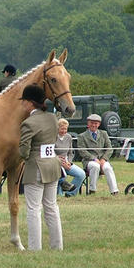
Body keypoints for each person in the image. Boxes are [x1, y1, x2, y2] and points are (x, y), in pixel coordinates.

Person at [19, 84, 63, 251]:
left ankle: (34, 248)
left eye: (24, 101)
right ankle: (57, 246)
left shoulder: (28, 123)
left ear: (30, 103)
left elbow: (24, 150)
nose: (22, 104)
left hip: (35, 167)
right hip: (53, 165)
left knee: (33, 209)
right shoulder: (53, 118)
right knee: (51, 207)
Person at [77, 114, 119, 195]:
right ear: (88, 124)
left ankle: (114, 191)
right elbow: (82, 151)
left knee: (108, 168)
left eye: (96, 123)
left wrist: (104, 159)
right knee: (95, 166)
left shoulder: (104, 134)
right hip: (89, 161)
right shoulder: (82, 136)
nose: (94, 125)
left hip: (102, 160)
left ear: (99, 124)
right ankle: (92, 190)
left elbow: (109, 148)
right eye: (92, 123)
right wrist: (93, 158)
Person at [55, 118, 86, 197]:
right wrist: (61, 163)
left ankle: (70, 193)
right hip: (56, 163)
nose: (64, 131)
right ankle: (59, 194)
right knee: (61, 175)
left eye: (66, 129)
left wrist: (69, 162)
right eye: (62, 129)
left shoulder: (69, 137)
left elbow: (70, 152)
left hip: (67, 162)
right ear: (57, 128)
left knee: (81, 174)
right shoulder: (52, 137)